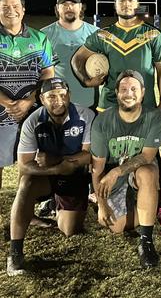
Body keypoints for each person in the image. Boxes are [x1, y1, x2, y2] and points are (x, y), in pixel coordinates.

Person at [7, 78, 94, 276]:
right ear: (41, 99)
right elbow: (24, 165)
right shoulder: (32, 120)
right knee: (26, 185)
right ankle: (15, 253)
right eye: (51, 97)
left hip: (74, 176)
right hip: (49, 175)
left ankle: (54, 205)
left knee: (70, 230)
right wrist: (57, 169)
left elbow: (89, 155)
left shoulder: (85, 115)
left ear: (69, 95)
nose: (58, 101)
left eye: (63, 95)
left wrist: (58, 160)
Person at [90, 70, 161, 269]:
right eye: (123, 89)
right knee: (115, 227)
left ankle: (146, 242)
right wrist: (102, 204)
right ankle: (149, 208)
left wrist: (117, 171)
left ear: (142, 93)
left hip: (136, 170)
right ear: (116, 93)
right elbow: (97, 169)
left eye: (133, 89)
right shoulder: (103, 121)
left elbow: (148, 156)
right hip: (113, 177)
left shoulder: (153, 116)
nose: (128, 93)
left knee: (147, 171)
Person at [71, 0, 161, 112]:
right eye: (121, 0)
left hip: (144, 104)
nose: (126, 4)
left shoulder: (154, 34)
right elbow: (78, 58)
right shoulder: (103, 35)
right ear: (115, 5)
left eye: (130, 0)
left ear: (137, 5)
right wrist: (86, 81)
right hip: (109, 104)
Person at [0, 0, 56, 189]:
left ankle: (27, 213)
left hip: (31, 112)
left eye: (15, 6)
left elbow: (48, 73)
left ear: (23, 10)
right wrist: (8, 103)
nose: (10, 11)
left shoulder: (39, 38)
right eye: (5, 7)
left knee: (30, 163)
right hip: (2, 111)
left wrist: (30, 101)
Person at [41, 0, 98, 108]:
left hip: (88, 101)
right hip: (57, 103)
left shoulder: (95, 33)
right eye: (64, 4)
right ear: (57, 8)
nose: (69, 7)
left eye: (73, 4)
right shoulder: (44, 35)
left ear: (80, 6)